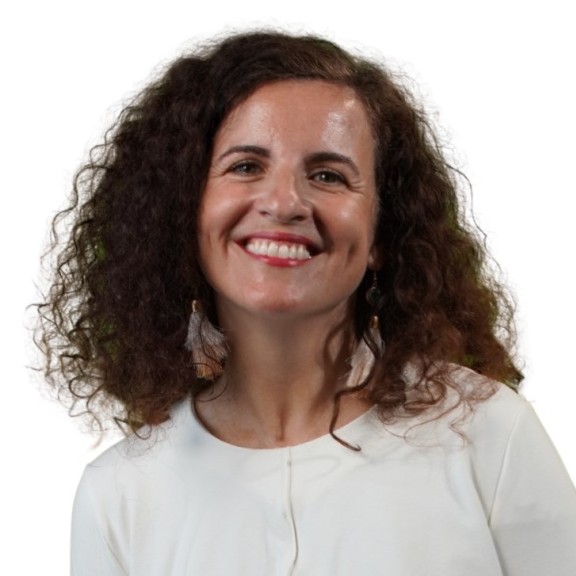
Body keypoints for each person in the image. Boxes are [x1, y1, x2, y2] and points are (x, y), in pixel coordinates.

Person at [35, 31, 576, 575]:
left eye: (328, 175)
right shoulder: (120, 495)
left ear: (383, 233)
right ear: (184, 212)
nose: (285, 202)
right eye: (246, 166)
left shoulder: (488, 435)